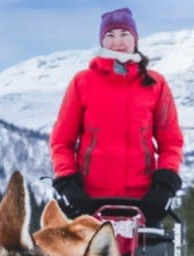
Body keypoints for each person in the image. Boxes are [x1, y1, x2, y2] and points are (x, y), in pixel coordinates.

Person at [50, 7, 183, 228]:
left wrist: (164, 184)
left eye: (124, 33)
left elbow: (172, 142)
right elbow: (61, 141)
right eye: (110, 35)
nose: (117, 41)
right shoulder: (82, 82)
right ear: (102, 41)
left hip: (144, 202)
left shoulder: (155, 84)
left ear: (135, 39)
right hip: (88, 201)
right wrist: (67, 182)